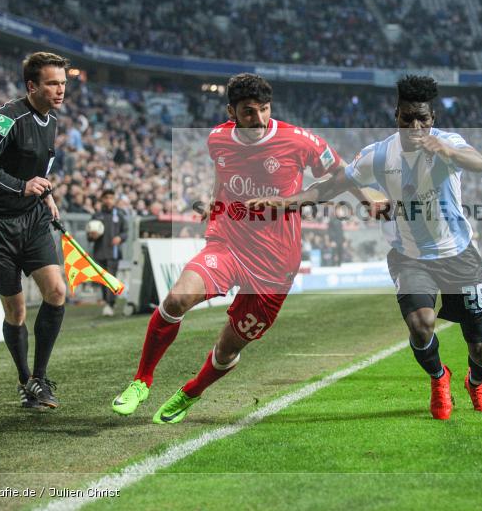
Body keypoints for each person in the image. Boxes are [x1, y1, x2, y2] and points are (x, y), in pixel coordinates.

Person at [253, 75, 482, 420]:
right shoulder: (379, 155)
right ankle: (439, 377)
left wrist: (444, 149)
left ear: (433, 119)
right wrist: (287, 202)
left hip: (459, 255)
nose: (415, 126)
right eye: (407, 117)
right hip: (410, 257)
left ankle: (476, 382)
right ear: (396, 115)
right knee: (421, 323)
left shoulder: (448, 144)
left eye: (422, 119)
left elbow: (479, 162)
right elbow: (332, 185)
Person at [111, 73, 344, 424]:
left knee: (227, 348)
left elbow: (340, 176)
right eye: (250, 112)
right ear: (231, 112)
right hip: (228, 243)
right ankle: (141, 381)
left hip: (275, 266)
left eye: (265, 110)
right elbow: (223, 174)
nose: (260, 120)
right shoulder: (217, 138)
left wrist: (290, 203)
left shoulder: (299, 141)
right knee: (176, 300)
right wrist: (214, 204)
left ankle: (191, 391)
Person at [0, 51, 70, 409]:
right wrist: (20, 186)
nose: (60, 90)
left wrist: (47, 194)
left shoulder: (51, 121)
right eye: (53, 83)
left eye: (63, 84)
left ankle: (40, 378)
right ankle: (26, 381)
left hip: (32, 218)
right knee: (17, 311)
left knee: (56, 291)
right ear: (32, 85)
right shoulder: (7, 116)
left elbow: (38, 169)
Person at [88, 189, 128, 317]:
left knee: (111, 278)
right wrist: (92, 236)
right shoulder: (96, 216)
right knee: (103, 281)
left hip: (114, 253)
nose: (109, 200)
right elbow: (89, 235)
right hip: (99, 253)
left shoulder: (120, 215)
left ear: (114, 199)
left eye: (111, 197)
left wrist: (120, 238)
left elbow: (125, 232)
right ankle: (108, 302)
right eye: (106, 198)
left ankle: (109, 304)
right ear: (102, 200)